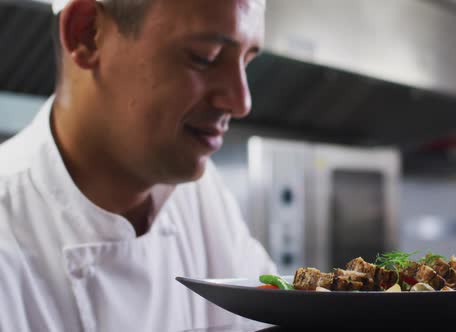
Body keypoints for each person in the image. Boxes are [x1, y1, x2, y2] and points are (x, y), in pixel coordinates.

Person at [0, 0, 275, 331]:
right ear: (87, 33)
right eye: (206, 57)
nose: (241, 102)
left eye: (247, 61)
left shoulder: (203, 197)